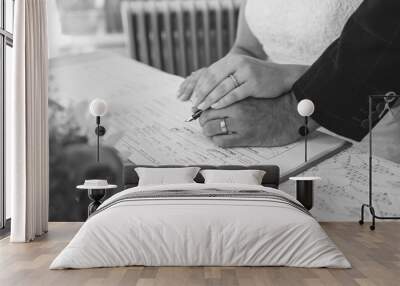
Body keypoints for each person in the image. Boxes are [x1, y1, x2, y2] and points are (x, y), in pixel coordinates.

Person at [177, 0, 400, 147]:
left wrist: (291, 77)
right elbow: (246, 48)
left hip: (364, 125)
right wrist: (222, 82)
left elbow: (387, 53)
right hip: (265, 118)